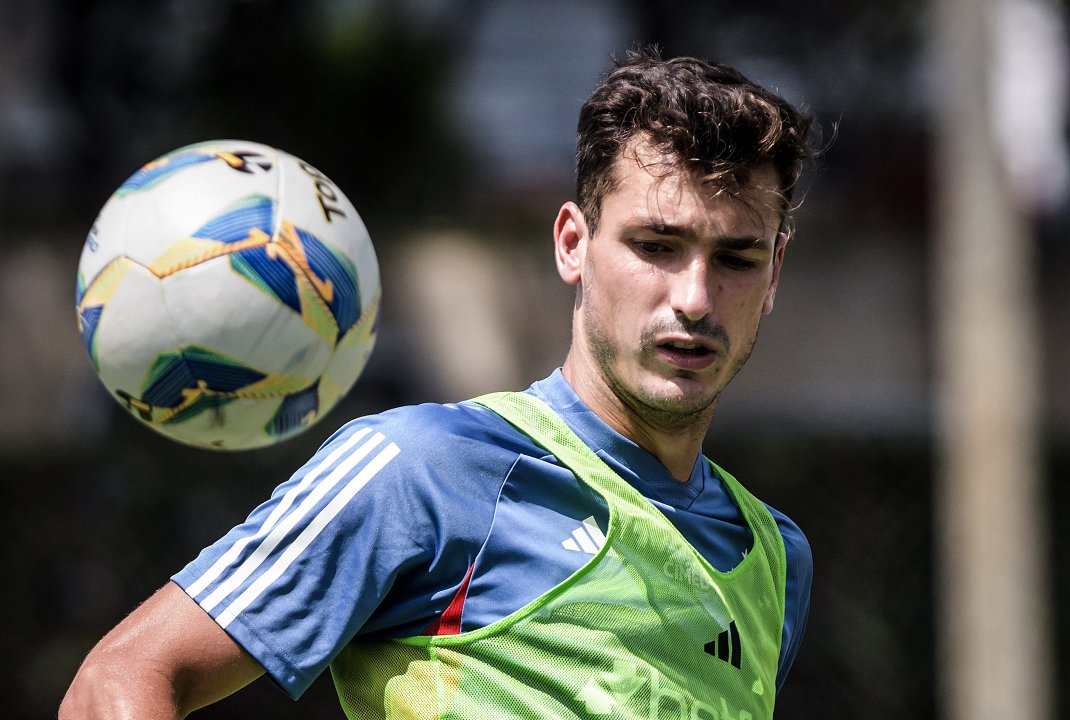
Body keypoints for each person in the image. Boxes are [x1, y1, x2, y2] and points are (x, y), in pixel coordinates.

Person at [60, 48, 819, 719]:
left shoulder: (775, 562)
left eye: (736, 260)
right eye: (657, 246)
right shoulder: (425, 468)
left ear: (774, 272)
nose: (693, 297)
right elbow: (120, 681)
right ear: (572, 244)